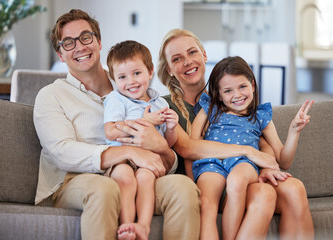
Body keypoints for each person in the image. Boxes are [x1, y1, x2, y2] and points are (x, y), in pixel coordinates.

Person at [33, 10, 200, 240]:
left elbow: (163, 158)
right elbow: (62, 152)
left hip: (139, 175)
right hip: (77, 180)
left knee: (183, 187)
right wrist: (129, 151)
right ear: (60, 54)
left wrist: (161, 147)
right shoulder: (51, 95)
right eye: (68, 43)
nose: (79, 47)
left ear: (99, 42)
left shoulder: (130, 83)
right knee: (105, 189)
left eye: (86, 37)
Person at [156, 28, 314, 239]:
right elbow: (188, 148)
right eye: (177, 58)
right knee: (261, 194)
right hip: (208, 178)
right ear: (168, 69)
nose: (187, 61)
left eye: (192, 52)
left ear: (204, 55)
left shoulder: (225, 97)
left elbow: (258, 137)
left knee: (294, 189)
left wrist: (265, 162)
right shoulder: (165, 106)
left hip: (243, 172)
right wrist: (249, 151)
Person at [191, 56, 313, 239]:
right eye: (228, 90)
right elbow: (193, 146)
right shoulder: (210, 109)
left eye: (242, 87)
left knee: (243, 179)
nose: (237, 95)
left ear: (253, 85)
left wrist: (293, 131)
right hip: (212, 167)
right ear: (218, 94)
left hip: (243, 168)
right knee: (208, 204)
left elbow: (284, 160)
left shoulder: (260, 116)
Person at [104, 40, 178, 239]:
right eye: (122, 77)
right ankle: (127, 225)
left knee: (145, 178)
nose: (131, 81)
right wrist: (144, 121)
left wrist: (171, 128)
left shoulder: (160, 102)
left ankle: (142, 227)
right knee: (125, 178)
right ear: (114, 79)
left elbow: (168, 144)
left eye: (137, 73)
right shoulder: (116, 99)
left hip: (149, 160)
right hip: (122, 156)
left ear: (150, 71)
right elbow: (110, 132)